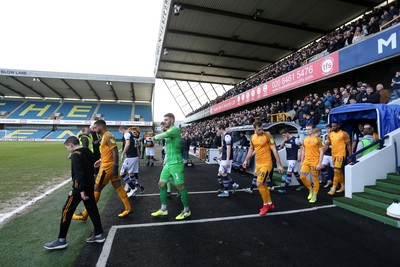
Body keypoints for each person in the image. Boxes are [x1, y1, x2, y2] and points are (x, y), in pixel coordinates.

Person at [44, 136, 104, 250]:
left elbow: (78, 174)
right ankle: (99, 234)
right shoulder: (86, 151)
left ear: (71, 145)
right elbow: (94, 162)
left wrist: (80, 190)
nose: (67, 149)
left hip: (80, 189)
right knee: (92, 209)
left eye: (67, 147)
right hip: (90, 185)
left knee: (66, 210)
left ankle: (61, 240)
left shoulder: (76, 155)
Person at [72, 120, 131, 220]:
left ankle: (85, 214)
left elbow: (115, 151)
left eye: (95, 127)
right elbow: (107, 152)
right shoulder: (104, 136)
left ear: (100, 126)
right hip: (106, 164)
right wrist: (100, 160)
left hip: (107, 167)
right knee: (118, 186)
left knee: (96, 188)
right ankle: (128, 208)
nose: (94, 130)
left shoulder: (108, 136)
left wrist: (115, 166)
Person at [151, 113, 191, 220]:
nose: (164, 121)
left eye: (166, 119)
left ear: (172, 120)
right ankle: (163, 209)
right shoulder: (169, 131)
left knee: (180, 187)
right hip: (168, 163)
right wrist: (164, 129)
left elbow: (160, 136)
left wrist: (153, 137)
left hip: (176, 163)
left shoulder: (174, 130)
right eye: (163, 119)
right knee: (161, 184)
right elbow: (166, 134)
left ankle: (187, 210)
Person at [242, 121, 284, 216]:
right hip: (258, 164)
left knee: (259, 183)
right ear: (254, 129)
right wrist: (246, 160)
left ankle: (265, 205)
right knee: (264, 184)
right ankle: (269, 203)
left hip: (267, 163)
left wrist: (279, 164)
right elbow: (251, 149)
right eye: (259, 129)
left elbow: (274, 149)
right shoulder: (253, 137)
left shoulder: (267, 135)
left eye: (262, 129)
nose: (261, 131)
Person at [299, 124, 324, 203]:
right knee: (302, 177)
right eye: (306, 129)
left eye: (309, 129)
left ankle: (314, 196)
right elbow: (303, 150)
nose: (307, 131)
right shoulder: (305, 139)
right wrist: (302, 160)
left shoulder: (318, 139)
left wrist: (320, 163)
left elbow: (321, 152)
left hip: (315, 162)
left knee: (315, 180)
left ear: (313, 129)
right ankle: (310, 189)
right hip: (306, 161)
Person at [325, 122, 352, 196]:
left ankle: (333, 188)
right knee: (339, 171)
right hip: (333, 155)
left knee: (336, 170)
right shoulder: (330, 134)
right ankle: (343, 186)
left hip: (341, 155)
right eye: (332, 126)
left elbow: (348, 145)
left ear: (338, 126)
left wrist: (350, 155)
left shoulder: (344, 133)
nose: (333, 127)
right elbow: (327, 145)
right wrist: (321, 153)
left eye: (334, 126)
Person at [119, 126, 145, 198]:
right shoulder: (133, 135)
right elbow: (136, 147)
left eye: (120, 132)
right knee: (131, 174)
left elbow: (127, 144)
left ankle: (133, 188)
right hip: (135, 157)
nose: (121, 133)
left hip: (130, 157)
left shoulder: (126, 134)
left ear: (122, 130)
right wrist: (138, 158)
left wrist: (123, 154)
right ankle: (133, 190)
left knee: (122, 174)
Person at [215, 123, 239, 197]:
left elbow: (228, 148)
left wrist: (228, 159)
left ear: (221, 129)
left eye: (218, 130)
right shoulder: (224, 136)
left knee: (224, 174)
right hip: (224, 158)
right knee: (220, 174)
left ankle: (226, 192)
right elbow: (225, 148)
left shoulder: (227, 136)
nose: (217, 131)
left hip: (227, 159)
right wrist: (221, 155)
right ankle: (233, 185)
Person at [277, 128, 303, 193]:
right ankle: (302, 184)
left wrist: (299, 156)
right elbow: (281, 147)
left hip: (293, 159)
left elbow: (302, 147)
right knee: (295, 171)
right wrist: (284, 140)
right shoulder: (285, 140)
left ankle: (285, 189)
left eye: (283, 135)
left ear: (287, 133)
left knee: (289, 172)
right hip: (288, 158)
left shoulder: (295, 140)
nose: (283, 137)